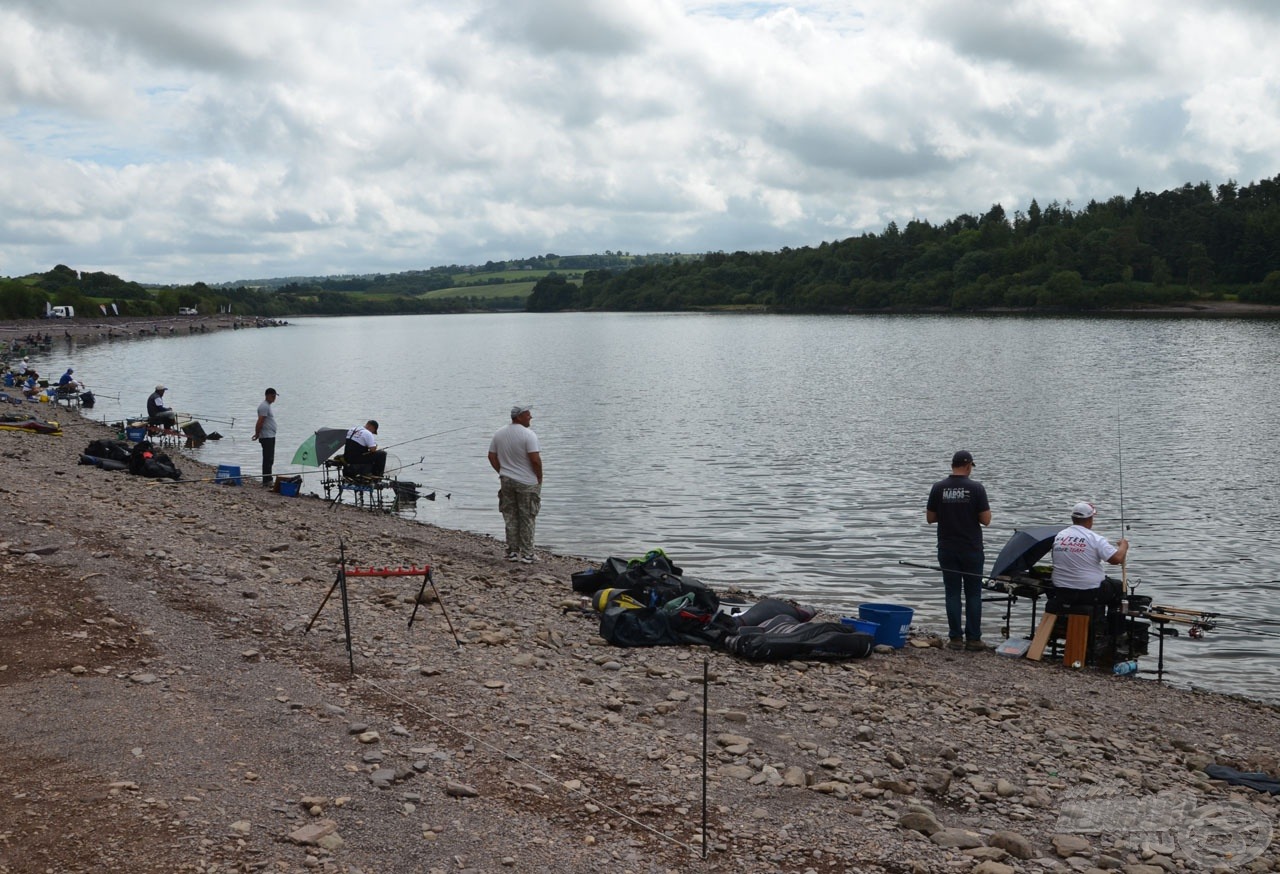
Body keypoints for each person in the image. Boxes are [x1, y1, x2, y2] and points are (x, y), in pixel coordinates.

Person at [926, 449, 992, 651]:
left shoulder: (938, 488)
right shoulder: (977, 488)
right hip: (971, 549)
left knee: (952, 592)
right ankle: (973, 639)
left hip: (947, 548)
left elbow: (930, 518)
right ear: (967, 465)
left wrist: (949, 512)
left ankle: (955, 639)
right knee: (973, 593)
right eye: (971, 466)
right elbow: (986, 520)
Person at [488, 405, 543, 563]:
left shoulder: (499, 433)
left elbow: (491, 456)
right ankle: (527, 554)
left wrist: (502, 471)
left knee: (510, 516)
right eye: (527, 415)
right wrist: (539, 477)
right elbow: (535, 459)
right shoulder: (529, 435)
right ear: (518, 417)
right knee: (527, 516)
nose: (530, 417)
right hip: (527, 482)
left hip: (506, 480)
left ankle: (512, 551)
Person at [1051, 502, 1128, 605]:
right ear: (1090, 519)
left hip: (1061, 590)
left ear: (1072, 518)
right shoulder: (1095, 538)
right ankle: (1110, 620)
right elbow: (1117, 559)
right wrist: (1124, 546)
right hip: (1089, 591)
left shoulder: (1060, 536)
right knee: (1119, 587)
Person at [251, 388, 279, 486]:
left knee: (270, 458)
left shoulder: (267, 406)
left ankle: (268, 478)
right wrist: (257, 434)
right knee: (268, 458)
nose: (274, 398)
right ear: (267, 395)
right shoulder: (264, 406)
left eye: (275, 396)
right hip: (266, 436)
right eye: (273, 396)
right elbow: (260, 421)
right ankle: (267, 480)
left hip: (270, 435)